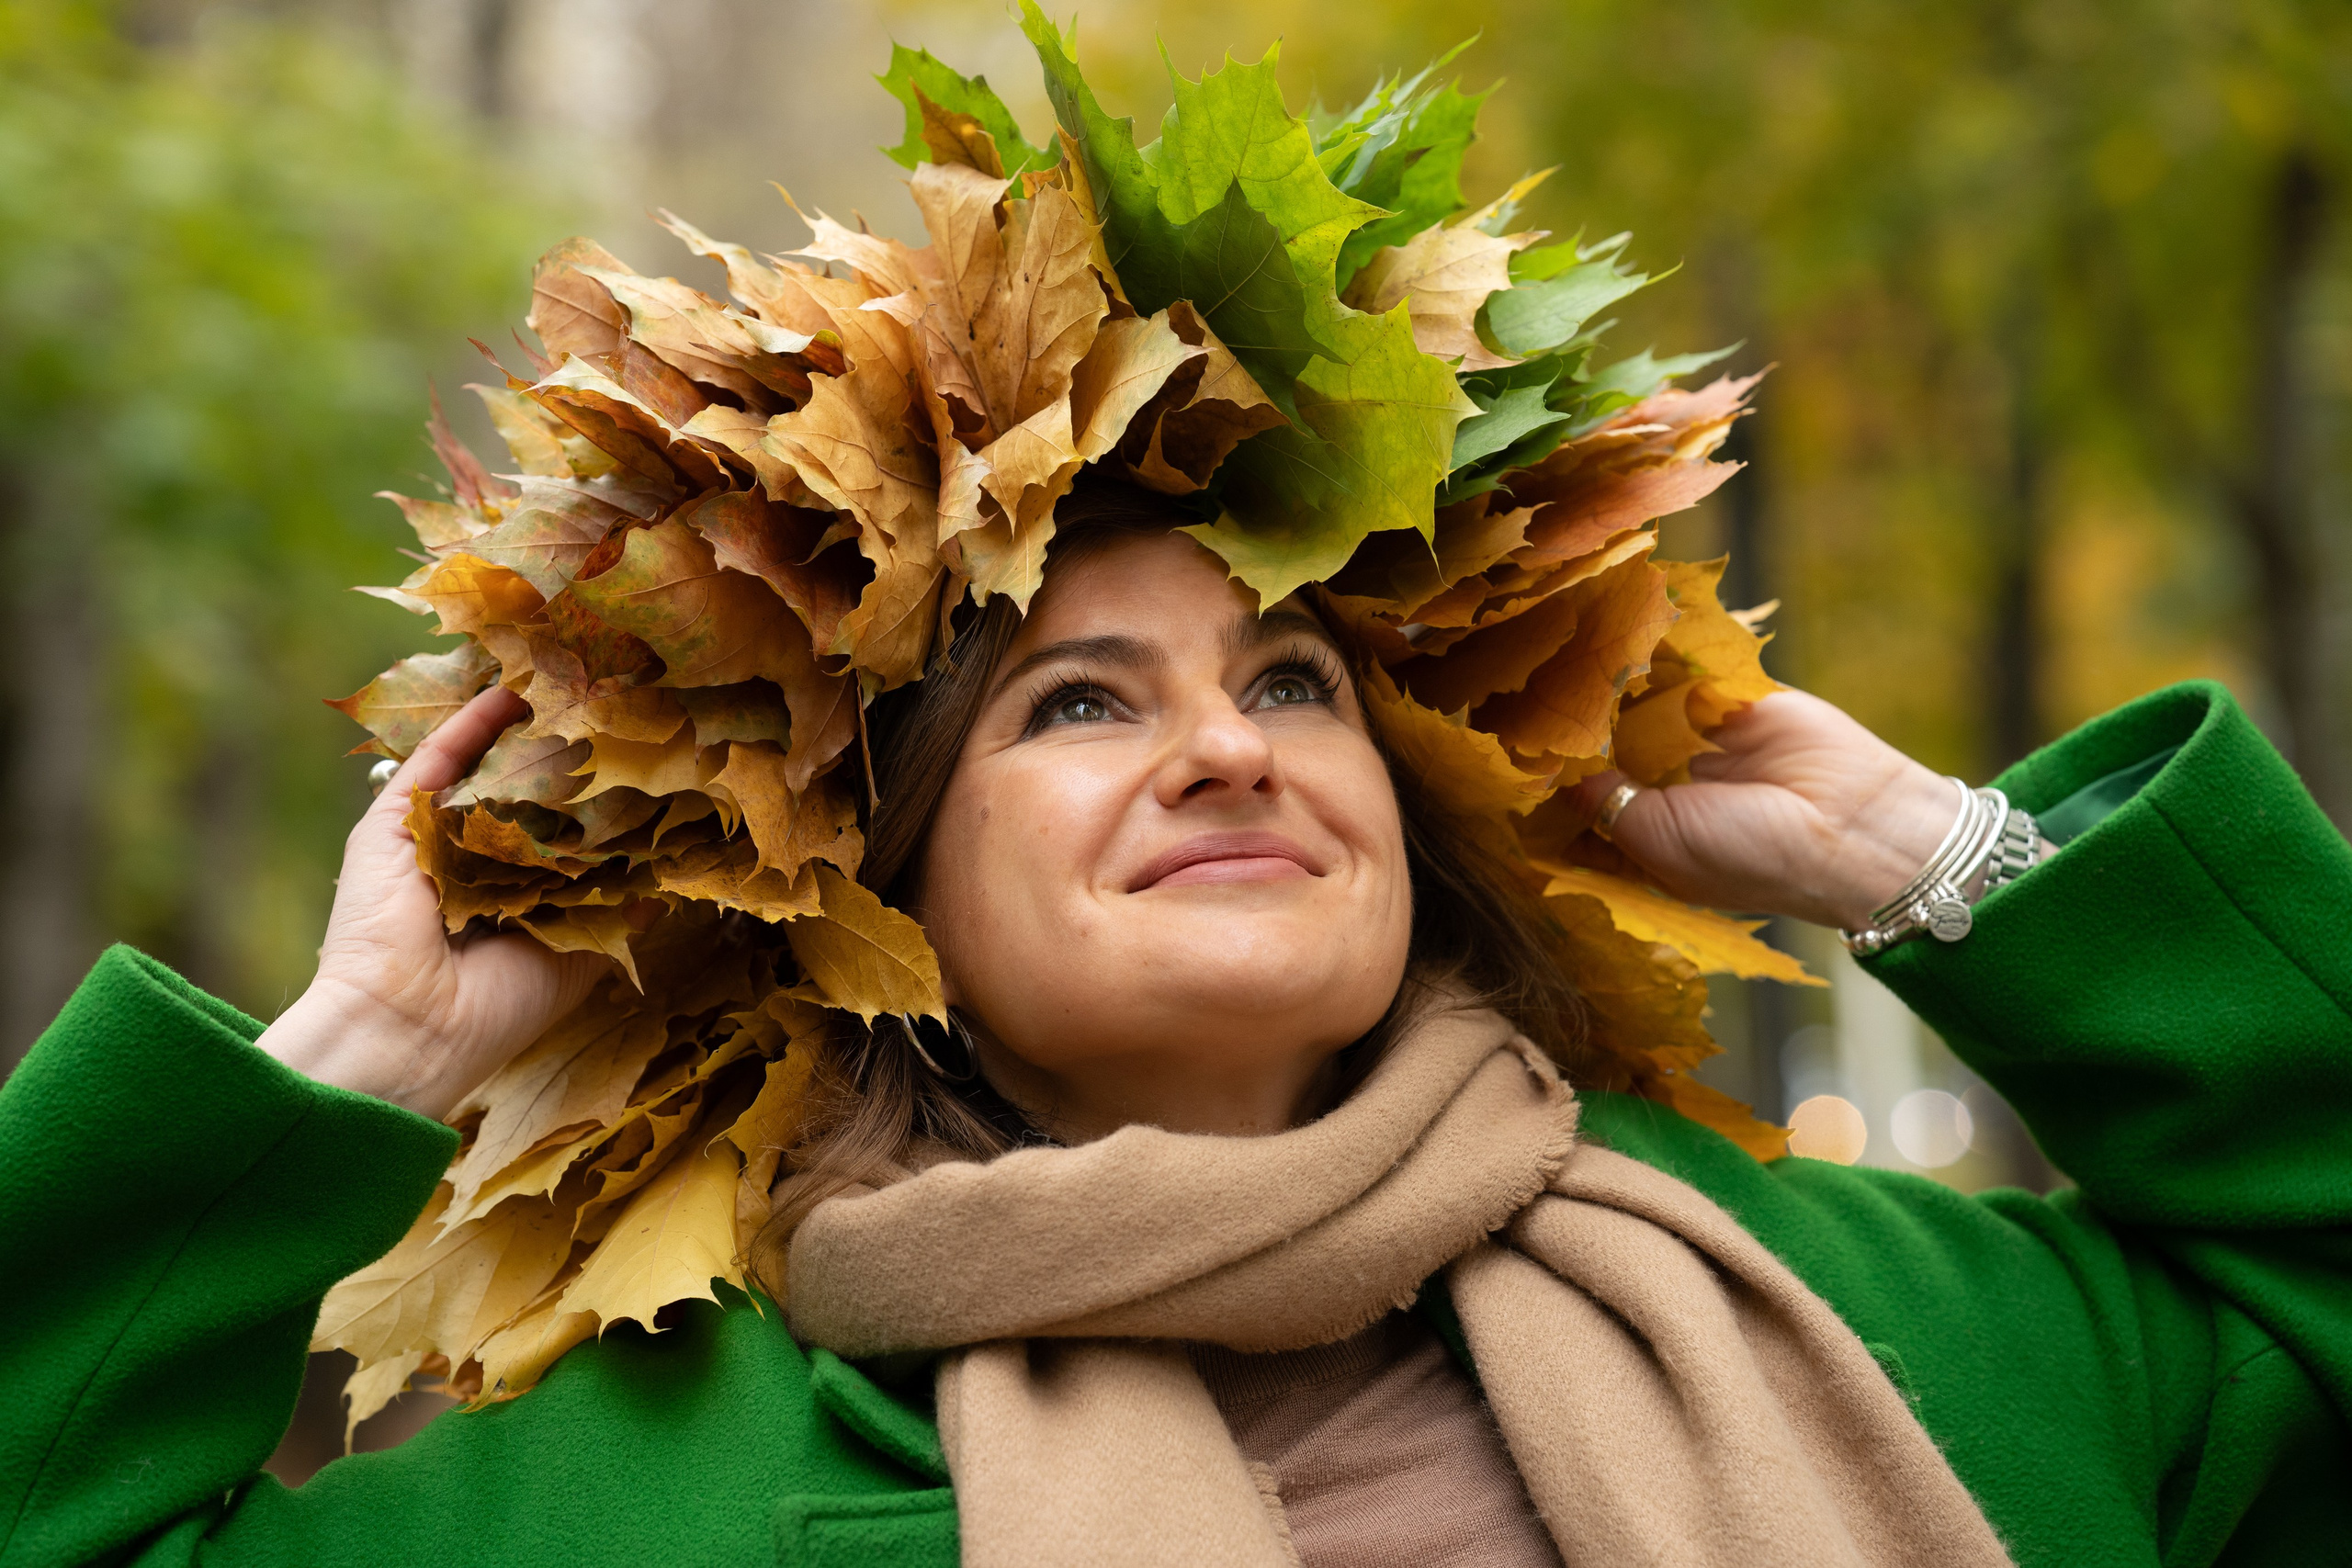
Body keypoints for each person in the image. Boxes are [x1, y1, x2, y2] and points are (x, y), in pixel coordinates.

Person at [4, 495, 2347, 1568]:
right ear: (882, 877)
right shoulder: (616, 1504)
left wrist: (1920, 854)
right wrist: (363, 1042)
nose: (1226, 749)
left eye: (1294, 684)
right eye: (1079, 698)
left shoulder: (1910, 1323)